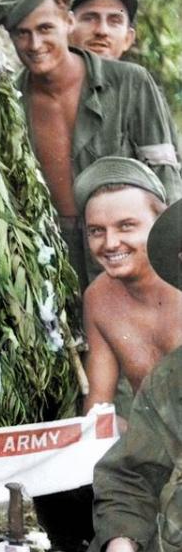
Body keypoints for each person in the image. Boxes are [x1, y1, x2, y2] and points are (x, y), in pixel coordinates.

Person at [0, 0, 181, 289]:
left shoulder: (130, 83)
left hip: (126, 254)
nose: (35, 43)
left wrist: (171, 257)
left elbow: (166, 174)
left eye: (45, 28)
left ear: (68, 23)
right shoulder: (8, 101)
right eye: (22, 33)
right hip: (47, 259)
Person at [58, 200, 182, 552]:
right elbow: (131, 472)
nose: (110, 242)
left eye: (126, 226)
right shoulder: (173, 377)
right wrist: (120, 548)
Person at [75, 157, 182, 420]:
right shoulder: (99, 298)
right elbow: (99, 407)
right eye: (97, 231)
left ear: (160, 221)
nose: (110, 243)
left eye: (126, 226)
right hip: (158, 449)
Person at [70, 0, 139, 61]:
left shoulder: (137, 75)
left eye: (114, 21)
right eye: (89, 19)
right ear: (68, 29)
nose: (102, 31)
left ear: (128, 39)